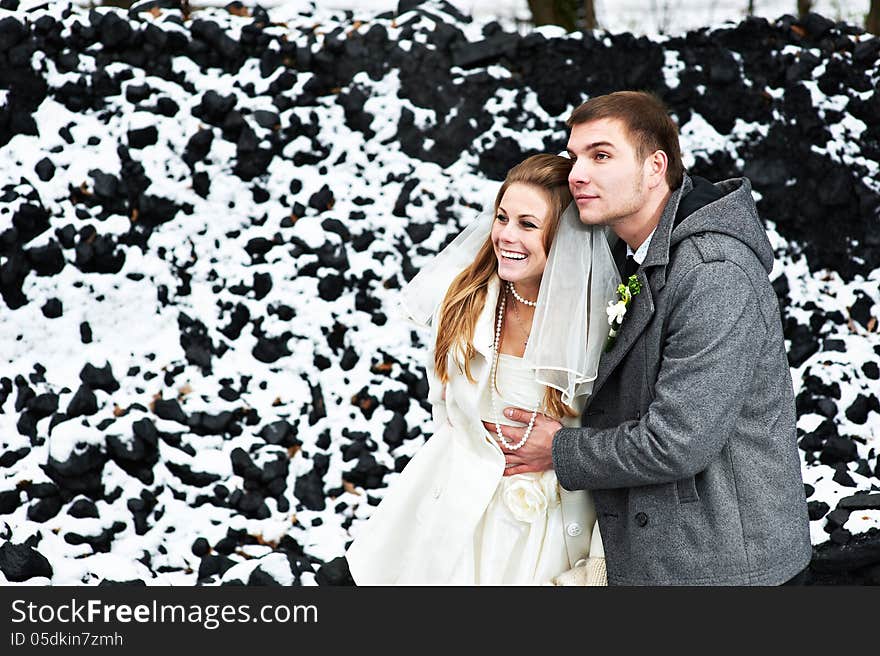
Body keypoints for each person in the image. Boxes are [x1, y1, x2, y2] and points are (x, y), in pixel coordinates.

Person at [491, 91, 813, 585]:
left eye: (601, 155)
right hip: (664, 555)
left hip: (724, 568)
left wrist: (559, 450)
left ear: (654, 166)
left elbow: (677, 442)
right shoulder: (626, 253)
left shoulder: (713, 273)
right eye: (574, 156)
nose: (577, 173)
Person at [345, 154, 619, 584]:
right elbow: (446, 415)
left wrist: (597, 564)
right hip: (452, 514)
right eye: (502, 217)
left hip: (544, 529)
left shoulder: (602, 325)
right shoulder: (466, 301)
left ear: (568, 238)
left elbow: (616, 446)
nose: (506, 235)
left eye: (528, 225)